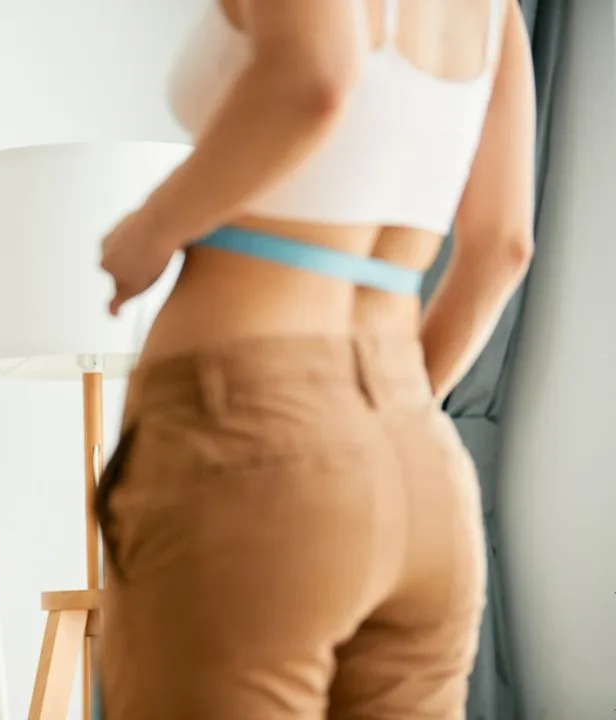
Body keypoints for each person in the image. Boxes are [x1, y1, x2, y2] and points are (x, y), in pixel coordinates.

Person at [95, 0, 535, 717]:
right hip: (419, 461)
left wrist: (150, 230)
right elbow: (504, 247)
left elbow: (313, 78)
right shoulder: (496, 13)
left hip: (251, 438)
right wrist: (375, 425)